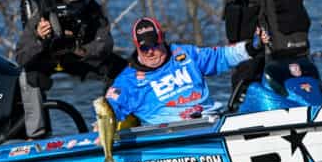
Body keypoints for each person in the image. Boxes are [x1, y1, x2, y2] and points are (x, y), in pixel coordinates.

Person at [102, 16, 262, 126]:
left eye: (154, 45)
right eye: (144, 48)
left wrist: (252, 47)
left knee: (256, 94)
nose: (150, 51)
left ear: (162, 39)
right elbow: (108, 112)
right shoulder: (127, 81)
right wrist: (100, 128)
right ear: (136, 46)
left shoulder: (185, 54)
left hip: (211, 122)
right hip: (168, 136)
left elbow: (221, 56)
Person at [15, 0, 114, 138]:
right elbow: (21, 56)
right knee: (28, 76)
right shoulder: (43, 13)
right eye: (74, 3)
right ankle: (36, 134)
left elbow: (105, 45)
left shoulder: (94, 12)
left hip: (78, 57)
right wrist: (39, 39)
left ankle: (110, 125)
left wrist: (78, 49)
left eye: (83, 2)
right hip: (48, 59)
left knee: (116, 69)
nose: (79, 7)